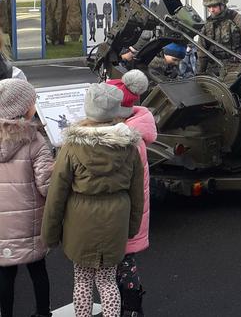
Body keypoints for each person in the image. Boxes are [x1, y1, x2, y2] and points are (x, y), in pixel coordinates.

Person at [42, 83, 144, 317]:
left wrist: (50, 233)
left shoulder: (72, 146)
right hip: (116, 217)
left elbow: (57, 192)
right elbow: (137, 192)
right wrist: (132, 227)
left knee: (82, 280)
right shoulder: (129, 146)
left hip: (81, 218)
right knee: (108, 282)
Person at [0, 79, 54, 317]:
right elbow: (47, 186)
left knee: (5, 274)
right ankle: (43, 312)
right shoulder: (35, 140)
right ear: (24, 108)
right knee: (38, 269)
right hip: (30, 221)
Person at [106, 70, 157, 317]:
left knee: (119, 265)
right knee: (126, 263)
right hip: (133, 211)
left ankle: (129, 306)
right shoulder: (137, 133)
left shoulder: (125, 141)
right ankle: (132, 305)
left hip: (120, 212)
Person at [197, 0, 241, 82]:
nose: (211, 10)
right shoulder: (207, 25)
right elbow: (202, 52)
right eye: (209, 7)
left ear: (223, 4)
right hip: (214, 69)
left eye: (214, 6)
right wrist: (200, 74)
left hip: (236, 67)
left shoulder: (238, 21)